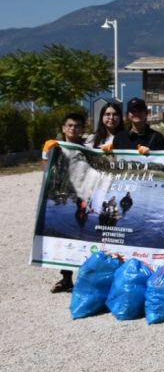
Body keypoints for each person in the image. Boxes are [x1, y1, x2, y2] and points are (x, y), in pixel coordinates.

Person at [41, 112, 87, 293]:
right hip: (62, 197)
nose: (73, 129)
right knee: (65, 234)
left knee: (82, 233)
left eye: (77, 126)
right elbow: (45, 172)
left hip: (82, 197)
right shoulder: (55, 147)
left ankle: (86, 277)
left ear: (82, 129)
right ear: (63, 128)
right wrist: (46, 154)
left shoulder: (89, 147)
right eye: (70, 125)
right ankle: (66, 278)